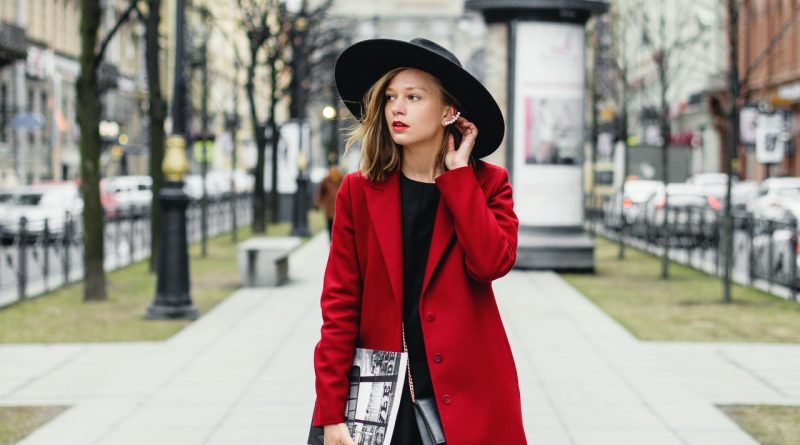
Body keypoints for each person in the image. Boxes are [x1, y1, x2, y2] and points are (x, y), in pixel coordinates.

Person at [312, 38, 527, 445]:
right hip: (380, 395)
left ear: (449, 112)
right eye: (391, 96)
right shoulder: (358, 192)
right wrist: (330, 410)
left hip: (470, 396)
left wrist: (458, 178)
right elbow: (339, 306)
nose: (397, 107)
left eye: (414, 97)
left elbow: (491, 263)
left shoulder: (487, 184)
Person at [315, 164, 344, 241]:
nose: (333, 172)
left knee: (339, 227)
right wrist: (318, 202)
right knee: (330, 226)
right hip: (329, 208)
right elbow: (321, 192)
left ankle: (336, 242)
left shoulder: (342, 179)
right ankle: (331, 243)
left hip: (340, 208)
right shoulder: (326, 180)